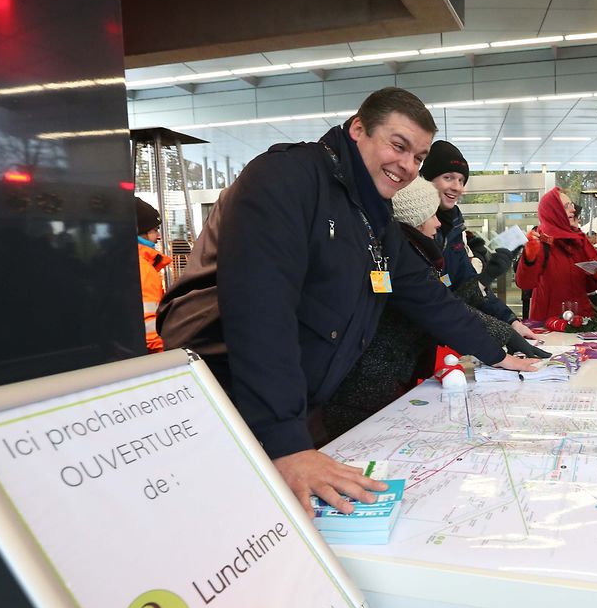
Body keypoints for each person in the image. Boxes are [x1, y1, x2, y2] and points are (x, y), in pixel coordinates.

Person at [157, 87, 537, 516]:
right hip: (226, 400)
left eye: (418, 157)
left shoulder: (370, 212)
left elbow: (427, 296)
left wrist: (494, 352)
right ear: (358, 129)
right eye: (398, 145)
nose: (407, 166)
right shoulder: (286, 178)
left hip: (294, 406)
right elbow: (261, 311)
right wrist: (286, 444)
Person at [321, 180, 548, 441]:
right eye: (432, 214)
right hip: (364, 391)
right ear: (415, 218)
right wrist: (502, 349)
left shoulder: (415, 251)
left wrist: (506, 328)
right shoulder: (400, 257)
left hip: (384, 381)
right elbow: (440, 309)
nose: (438, 222)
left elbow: (448, 301)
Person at [423, 140, 537, 341]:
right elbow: (435, 303)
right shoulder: (414, 227)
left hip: (445, 338)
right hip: (421, 340)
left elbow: (468, 286)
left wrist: (511, 321)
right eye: (448, 177)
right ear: (426, 179)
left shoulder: (455, 226)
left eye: (461, 180)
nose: (456, 187)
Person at [515, 187, 597, 322]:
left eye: (571, 205)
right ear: (554, 212)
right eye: (566, 206)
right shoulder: (540, 241)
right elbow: (524, 283)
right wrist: (529, 257)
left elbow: (588, 287)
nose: (573, 209)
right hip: (548, 323)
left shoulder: (580, 241)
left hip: (581, 322)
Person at [135, 197, 171, 353]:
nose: (158, 236)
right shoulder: (143, 270)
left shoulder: (122, 263)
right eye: (155, 230)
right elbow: (150, 333)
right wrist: (169, 355)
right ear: (140, 232)